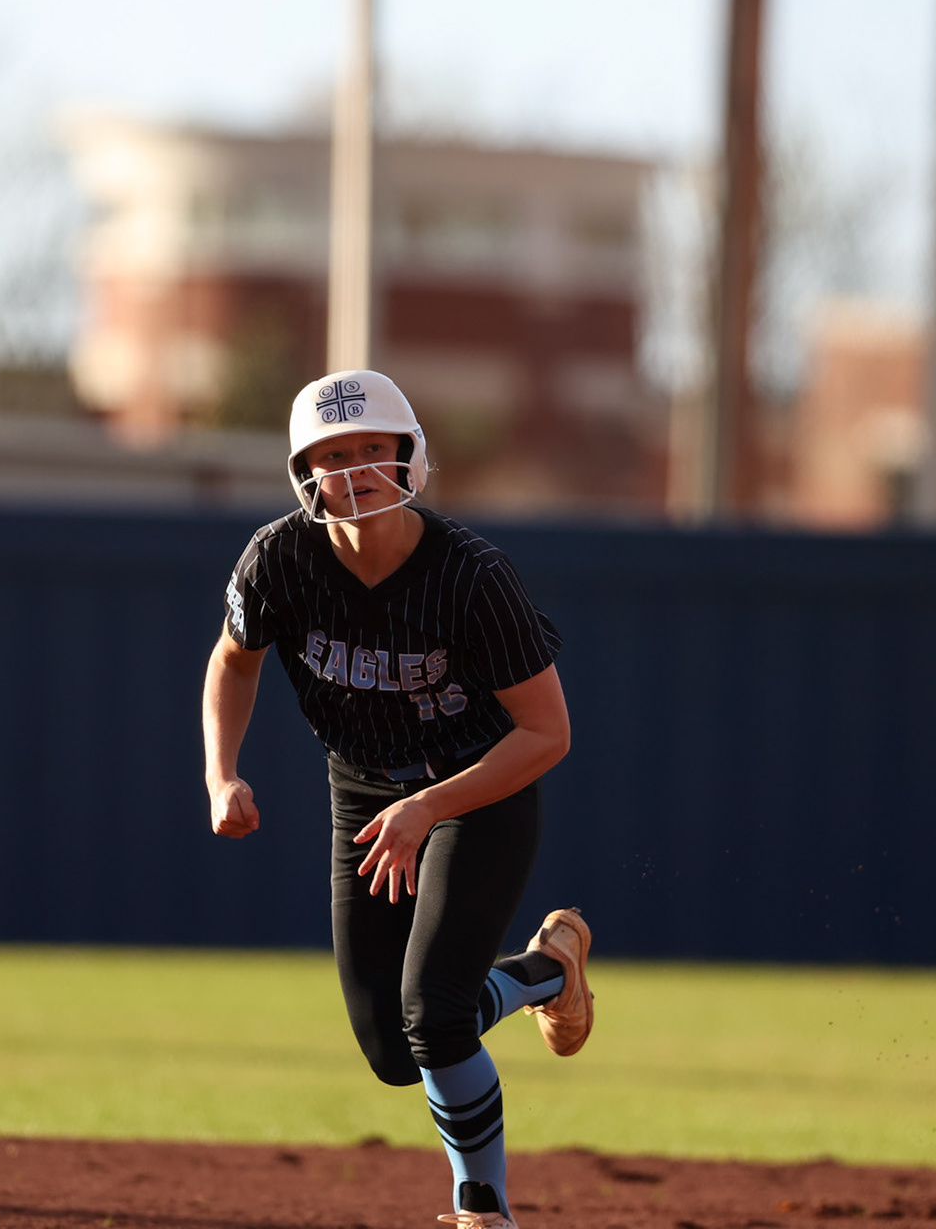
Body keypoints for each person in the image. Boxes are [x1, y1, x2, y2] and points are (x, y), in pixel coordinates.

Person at [202, 369, 593, 1229]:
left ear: (409, 456)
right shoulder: (280, 557)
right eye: (332, 456)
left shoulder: (470, 576)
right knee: (391, 1050)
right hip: (366, 790)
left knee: (436, 1015)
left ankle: (479, 1206)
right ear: (304, 471)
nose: (353, 474)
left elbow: (547, 734)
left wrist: (428, 809)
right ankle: (548, 971)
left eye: (372, 450)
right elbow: (233, 658)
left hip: (478, 786)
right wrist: (220, 773)